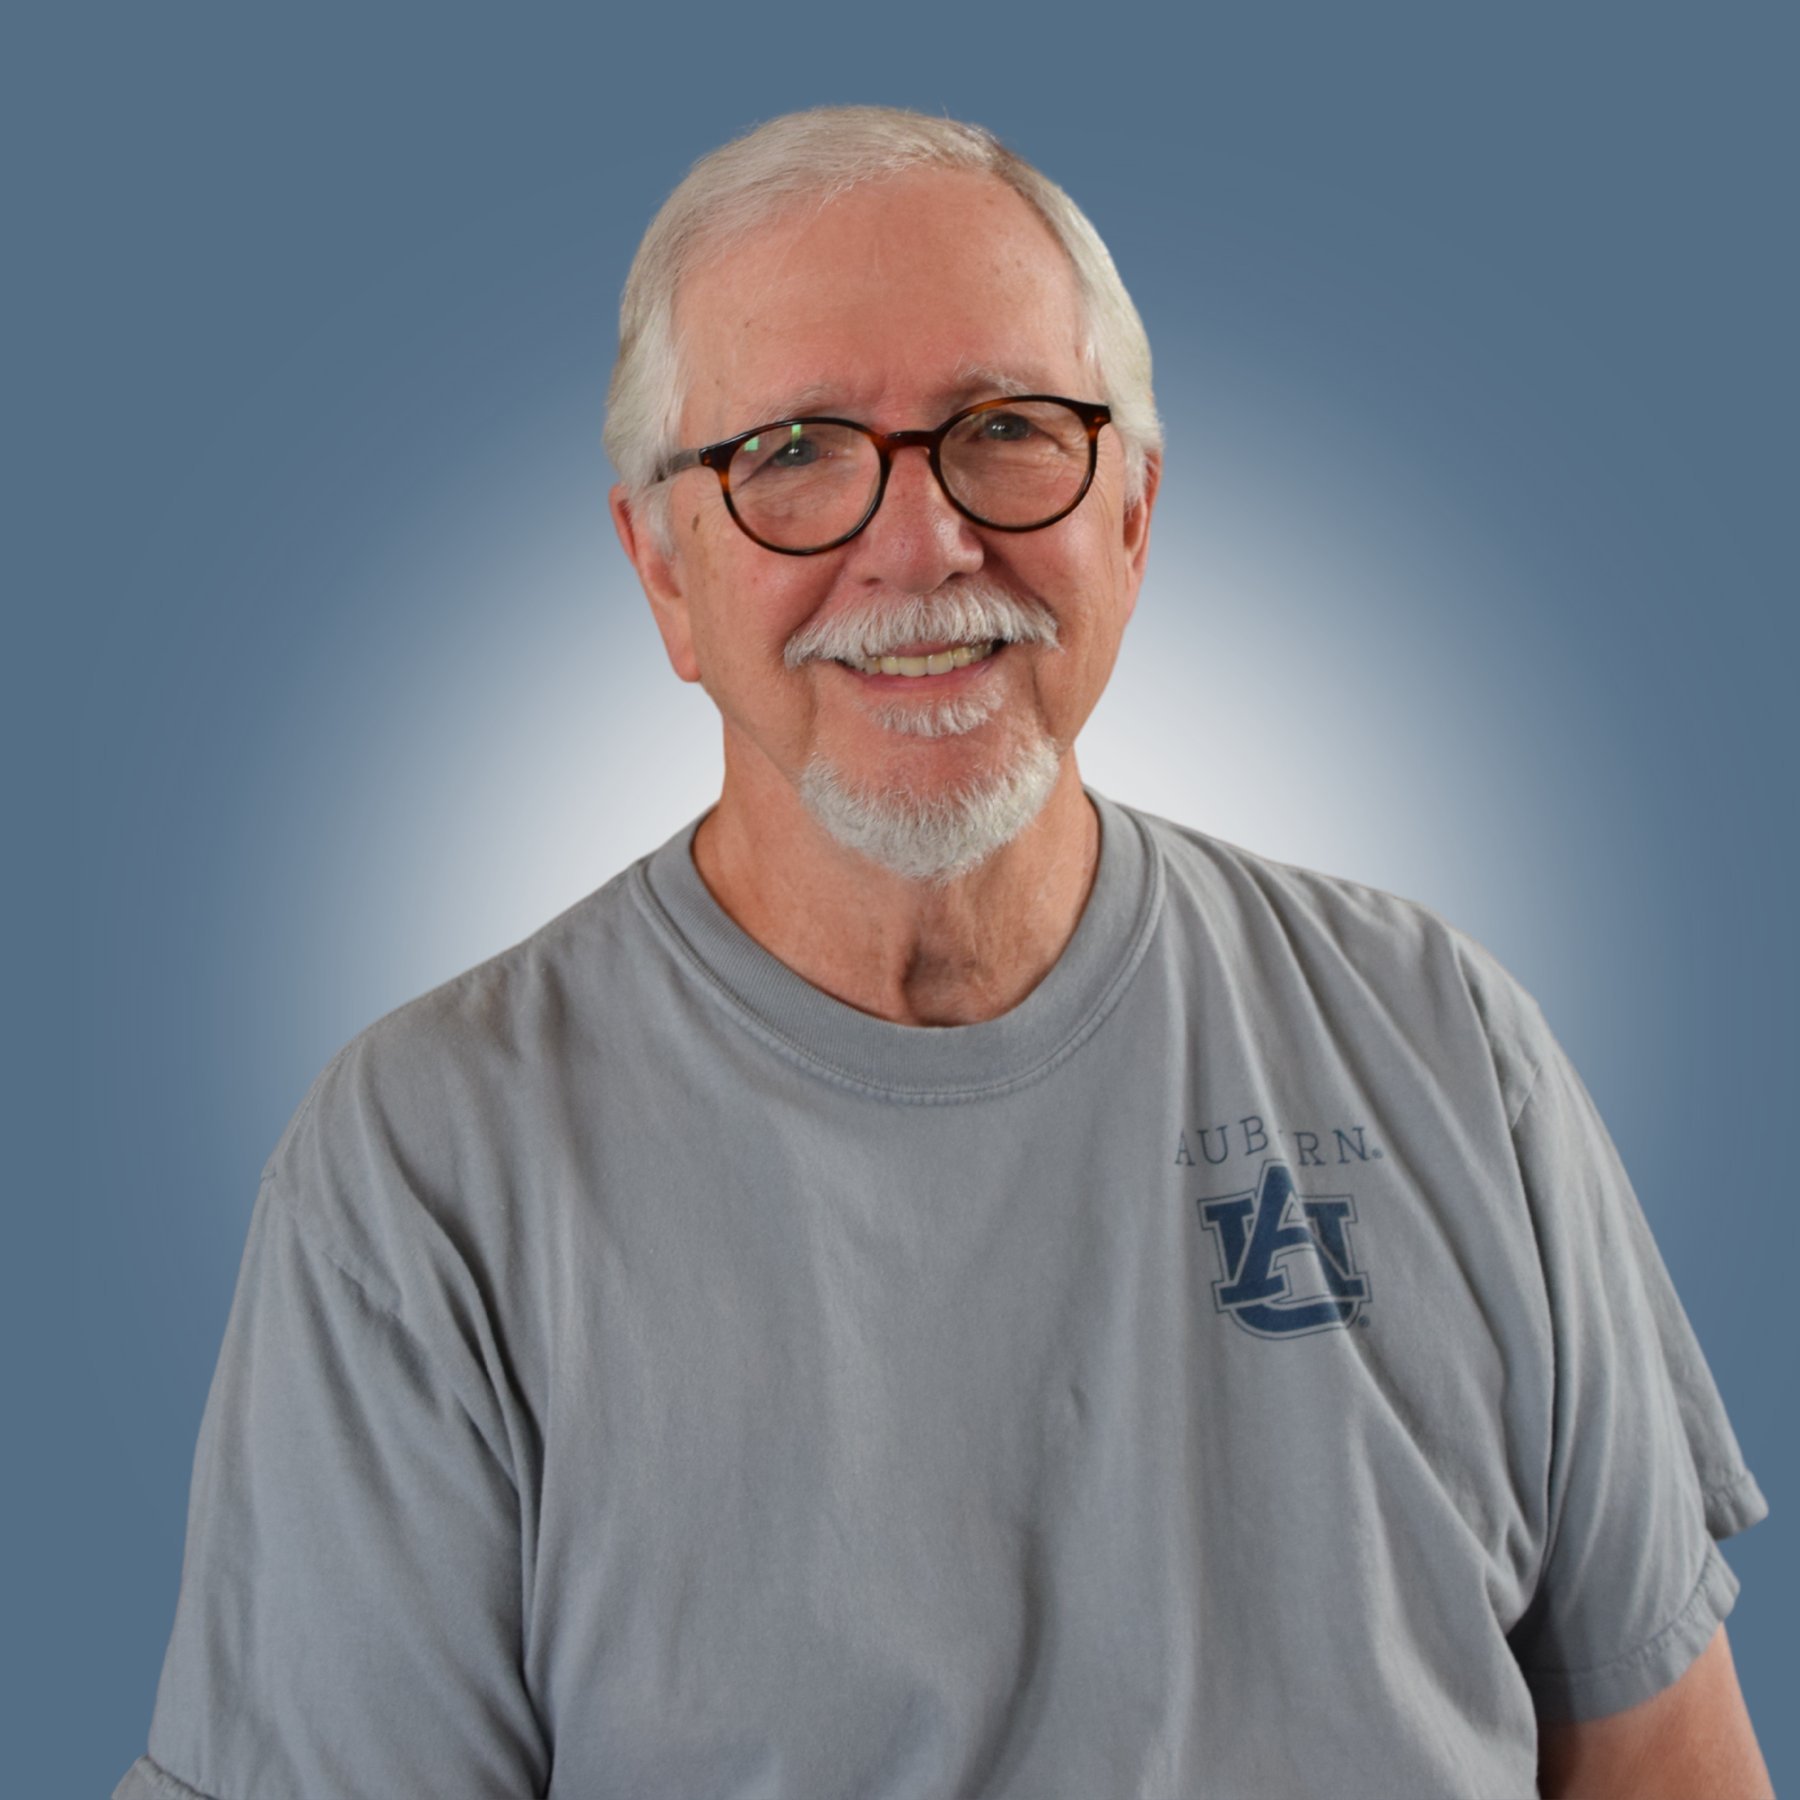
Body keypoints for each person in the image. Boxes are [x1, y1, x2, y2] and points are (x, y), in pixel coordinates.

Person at [117, 105, 1771, 1800]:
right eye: (793, 453)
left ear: (1133, 516)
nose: (920, 545)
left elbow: (1667, 1768)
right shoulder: (426, 1174)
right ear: (664, 573)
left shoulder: (1446, 1043)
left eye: (1007, 430)